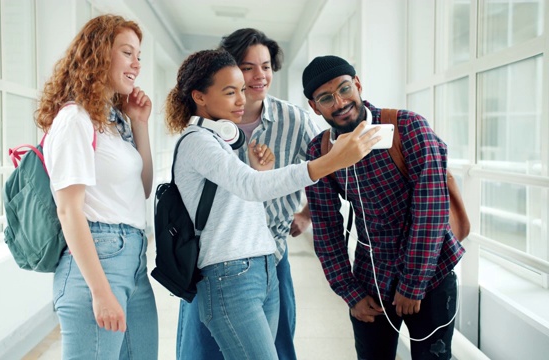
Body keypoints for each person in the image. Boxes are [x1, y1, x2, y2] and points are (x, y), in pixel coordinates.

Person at [165, 49, 379, 360]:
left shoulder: (222, 142)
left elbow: (242, 201)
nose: (241, 100)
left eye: (241, 90)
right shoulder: (198, 141)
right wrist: (329, 162)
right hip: (229, 276)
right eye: (230, 92)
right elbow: (250, 187)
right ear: (199, 96)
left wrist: (259, 172)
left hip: (263, 268)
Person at [302, 55, 465, 360]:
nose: (339, 103)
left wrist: (413, 283)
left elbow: (432, 209)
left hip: (431, 273)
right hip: (370, 277)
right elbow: (325, 227)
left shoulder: (408, 126)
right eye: (326, 98)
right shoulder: (320, 150)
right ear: (314, 106)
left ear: (358, 84)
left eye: (345, 89)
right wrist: (350, 294)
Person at [176, 28, 319, 360]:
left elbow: (326, 164)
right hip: (213, 260)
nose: (260, 76)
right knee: (202, 350)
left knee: (276, 348)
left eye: (266, 66)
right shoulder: (205, 128)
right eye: (248, 67)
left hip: (273, 254)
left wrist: (306, 213)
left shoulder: (293, 119)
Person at [35, 15, 158, 359]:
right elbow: (68, 209)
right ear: (99, 54)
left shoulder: (112, 124)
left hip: (132, 258)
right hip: (99, 261)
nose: (136, 63)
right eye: (127, 52)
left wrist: (139, 124)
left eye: (138, 55)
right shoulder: (74, 120)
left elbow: (143, 187)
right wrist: (101, 292)